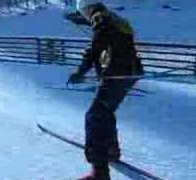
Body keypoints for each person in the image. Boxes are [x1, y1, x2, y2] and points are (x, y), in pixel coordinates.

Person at [67, 1, 144, 179]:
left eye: (84, 12)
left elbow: (97, 45)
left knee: (94, 115)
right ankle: (110, 150)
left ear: (87, 8)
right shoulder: (115, 19)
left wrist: (80, 71)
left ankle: (99, 173)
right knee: (105, 111)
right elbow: (113, 45)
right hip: (129, 71)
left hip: (119, 72)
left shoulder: (100, 17)